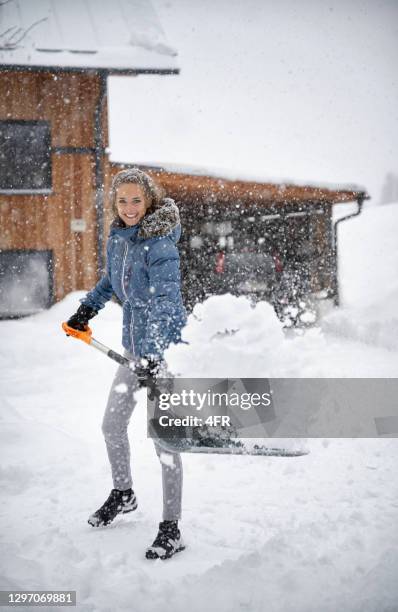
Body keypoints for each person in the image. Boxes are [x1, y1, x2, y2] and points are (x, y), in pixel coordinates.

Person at [65, 168, 187, 560]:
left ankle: (172, 528)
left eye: (137, 200)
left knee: (165, 441)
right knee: (111, 425)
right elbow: (110, 282)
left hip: (160, 357)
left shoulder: (160, 245)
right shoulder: (119, 239)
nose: (130, 208)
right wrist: (87, 309)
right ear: (114, 204)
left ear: (148, 200)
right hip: (133, 355)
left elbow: (171, 305)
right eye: (122, 201)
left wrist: (153, 353)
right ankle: (124, 493)